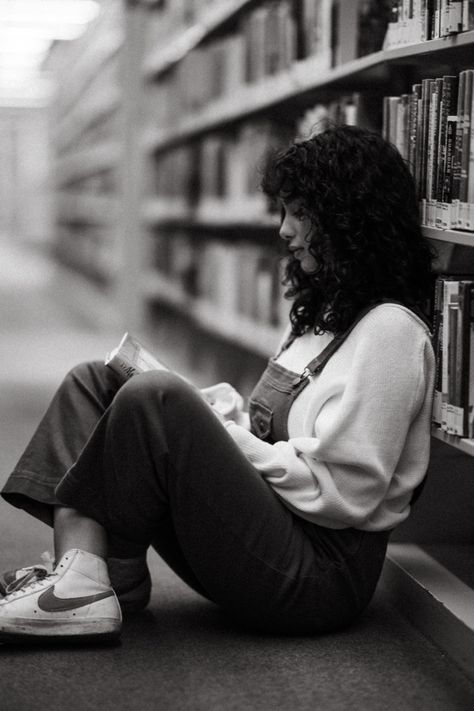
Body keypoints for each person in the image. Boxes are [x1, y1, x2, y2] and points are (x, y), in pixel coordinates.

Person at [0, 126, 435, 643]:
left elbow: (347, 497)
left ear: (349, 218)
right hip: (268, 537)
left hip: (315, 576)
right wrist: (224, 419)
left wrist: (219, 435)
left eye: (300, 213)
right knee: (94, 381)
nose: (284, 230)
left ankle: (82, 589)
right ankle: (90, 575)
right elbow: (281, 443)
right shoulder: (321, 316)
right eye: (283, 212)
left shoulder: (390, 332)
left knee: (155, 398)